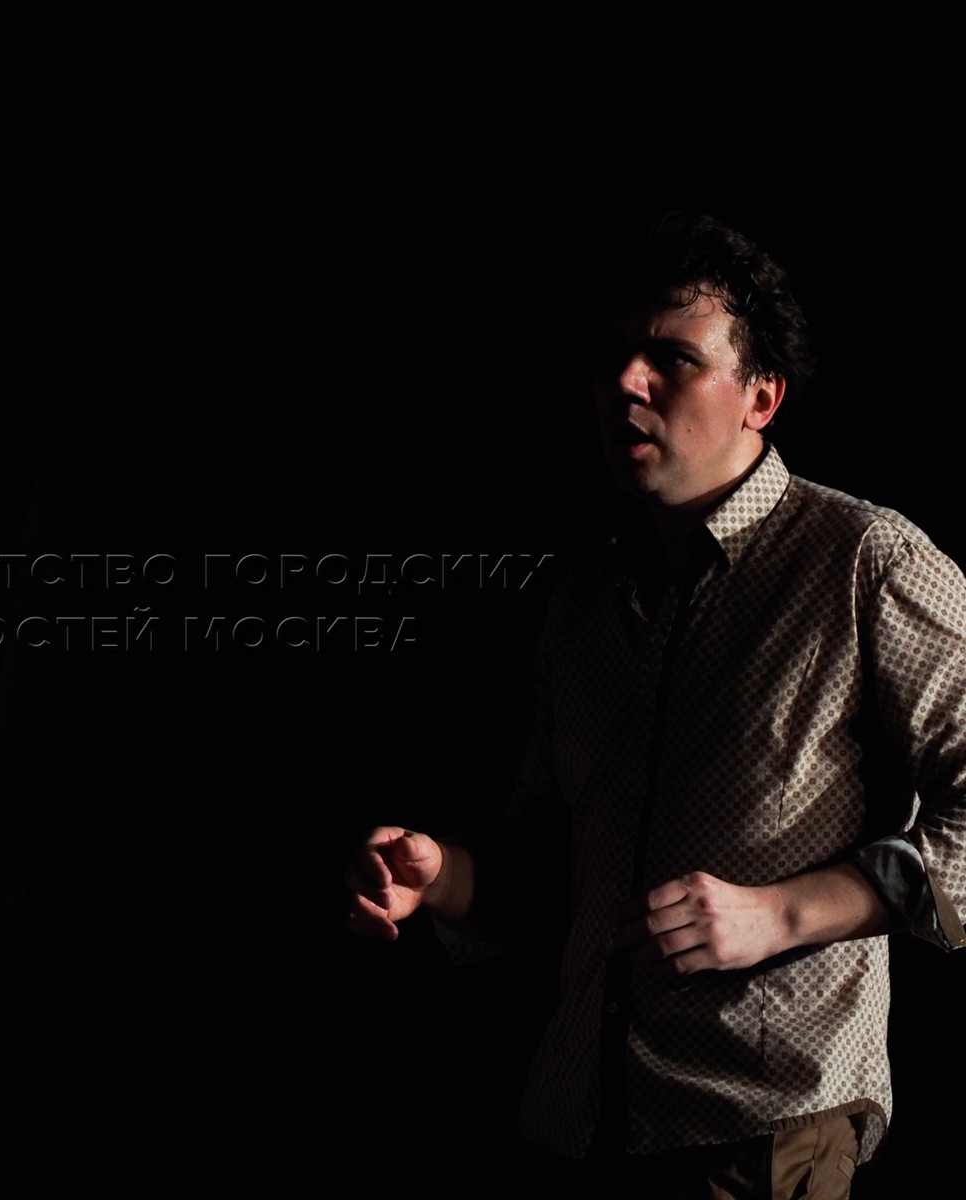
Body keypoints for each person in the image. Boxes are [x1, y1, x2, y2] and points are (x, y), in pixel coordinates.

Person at [343, 215, 962, 1198]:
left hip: (758, 1132)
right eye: (613, 359)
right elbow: (545, 860)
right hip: (570, 1126)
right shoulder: (584, 602)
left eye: (673, 359)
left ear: (761, 397)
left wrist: (779, 914)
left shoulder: (866, 562)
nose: (626, 384)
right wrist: (441, 875)